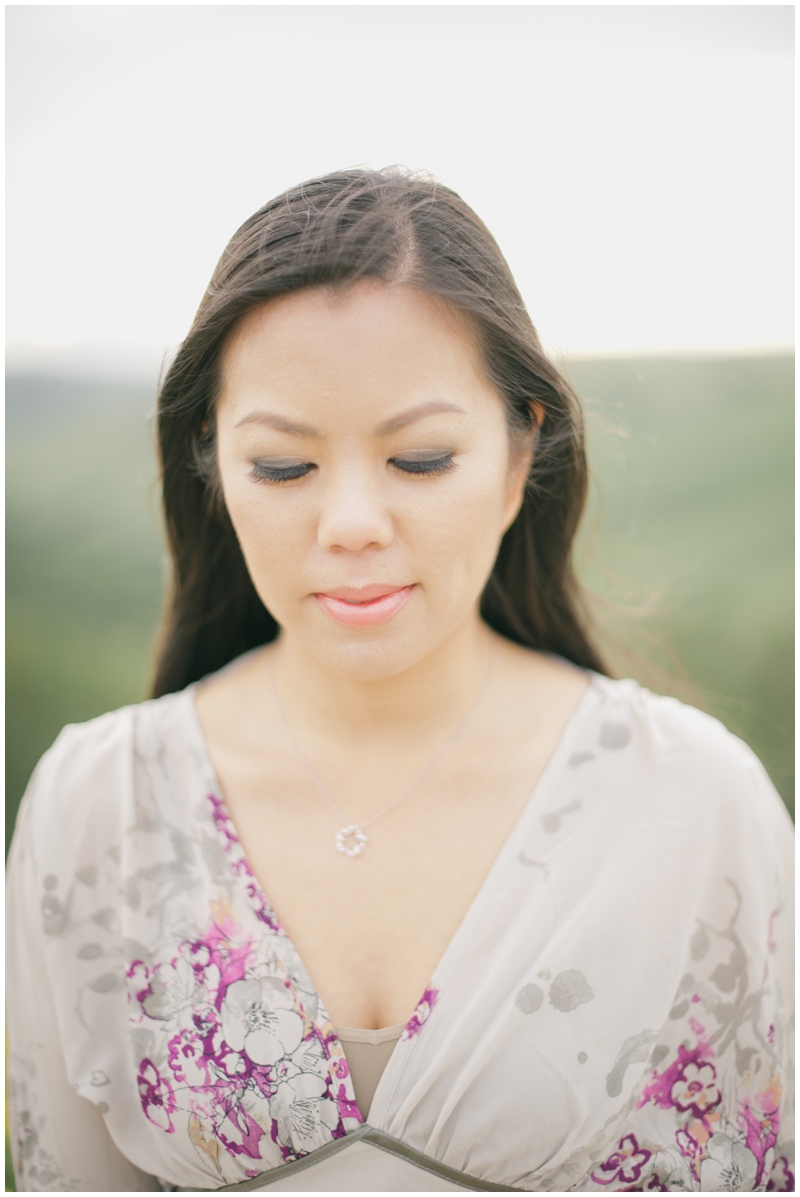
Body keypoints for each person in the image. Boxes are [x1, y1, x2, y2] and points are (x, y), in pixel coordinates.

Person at [6, 168, 793, 1193]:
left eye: (419, 459)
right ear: (210, 467)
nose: (351, 525)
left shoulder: (692, 803)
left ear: (519, 455)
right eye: (283, 468)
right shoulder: (95, 804)